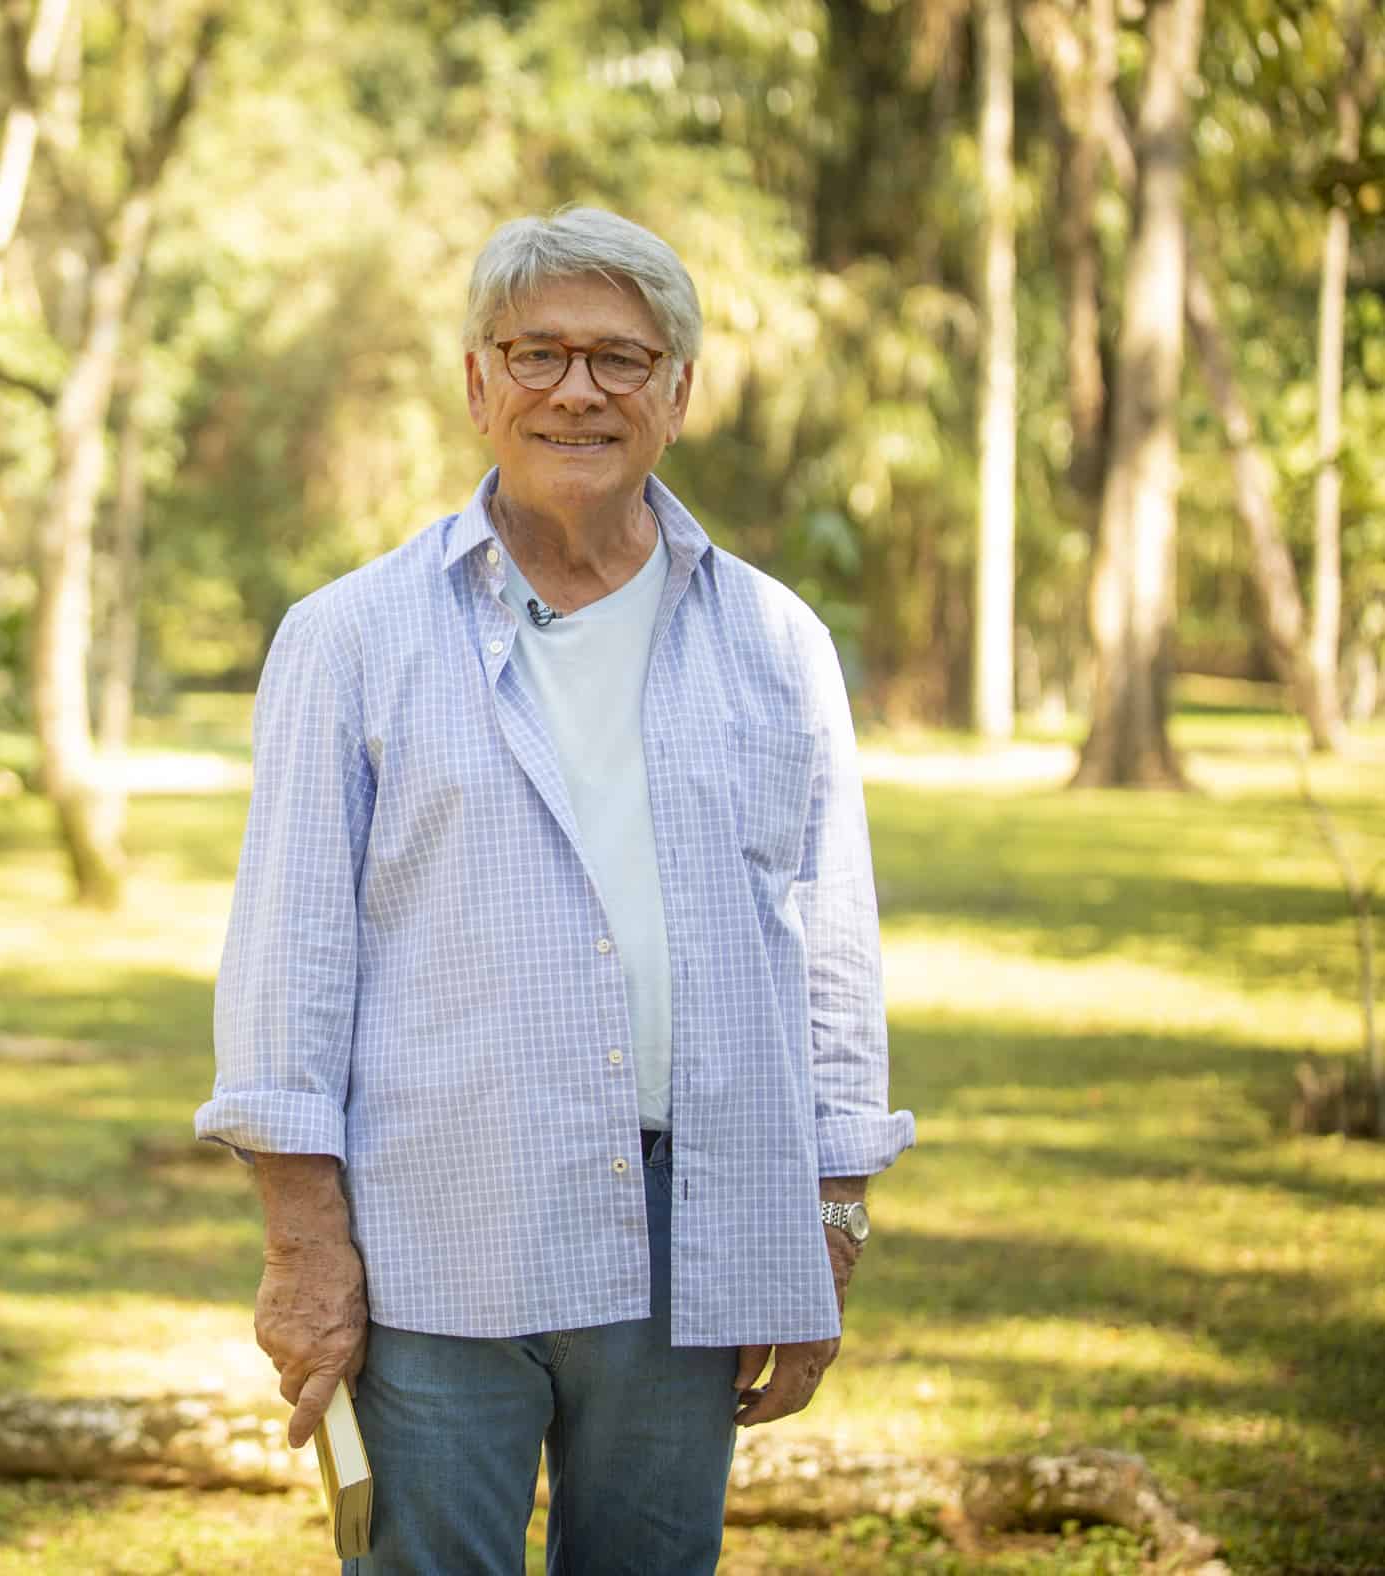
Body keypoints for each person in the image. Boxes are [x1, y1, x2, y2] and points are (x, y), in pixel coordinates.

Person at [193, 206, 915, 1575]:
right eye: (535, 353)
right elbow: (286, 968)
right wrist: (302, 1250)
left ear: (678, 395)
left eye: (621, 360)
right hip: (430, 1229)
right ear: (477, 386)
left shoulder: (775, 641)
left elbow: (829, 956)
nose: (575, 390)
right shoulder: (350, 636)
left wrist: (825, 1216)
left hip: (690, 1229)